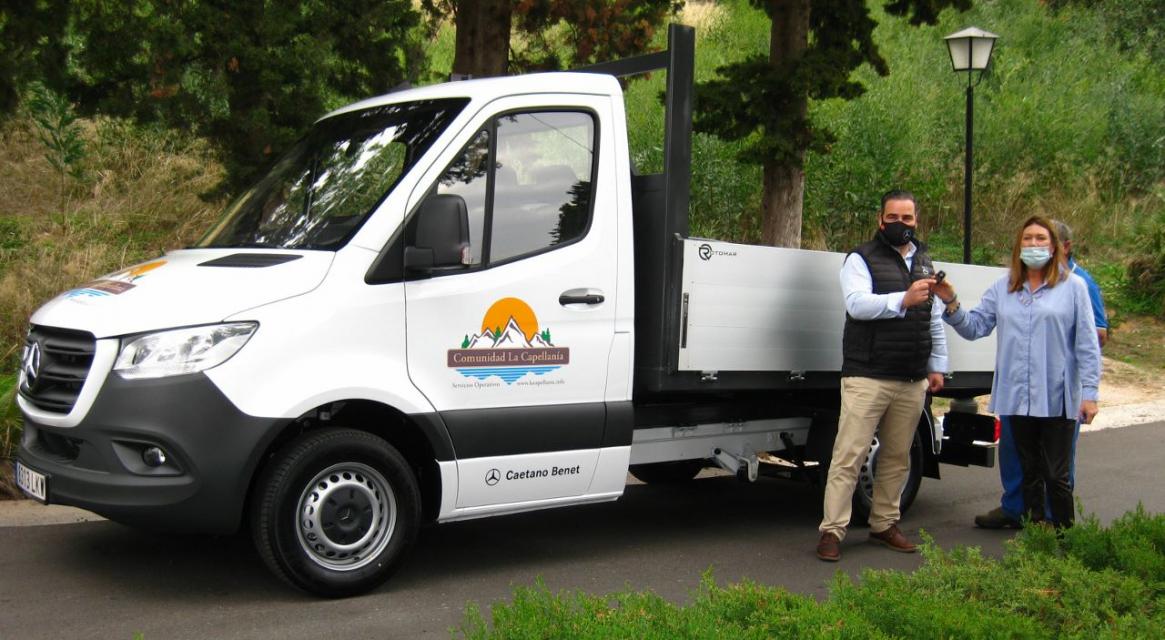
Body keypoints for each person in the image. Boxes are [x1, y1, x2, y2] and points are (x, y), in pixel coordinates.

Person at [935, 216, 1101, 529]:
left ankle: (1064, 536)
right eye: (1028, 238)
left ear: (1053, 247)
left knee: (1056, 474)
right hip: (1018, 395)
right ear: (1018, 245)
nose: (1033, 244)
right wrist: (951, 302)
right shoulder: (1004, 287)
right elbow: (976, 327)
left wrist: (1090, 394)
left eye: (1041, 238)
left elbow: (1087, 345)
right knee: (1028, 471)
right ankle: (1035, 533)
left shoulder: (1073, 287)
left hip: (1057, 395)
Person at [816, 190, 947, 562]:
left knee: (896, 456)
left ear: (916, 221)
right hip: (868, 375)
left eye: (907, 218)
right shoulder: (860, 258)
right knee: (849, 456)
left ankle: (885, 524)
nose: (900, 224)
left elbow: (933, 318)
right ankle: (832, 531)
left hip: (911, 378)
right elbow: (857, 304)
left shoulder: (924, 261)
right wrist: (902, 299)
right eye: (893, 217)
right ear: (880, 220)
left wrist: (937, 365)